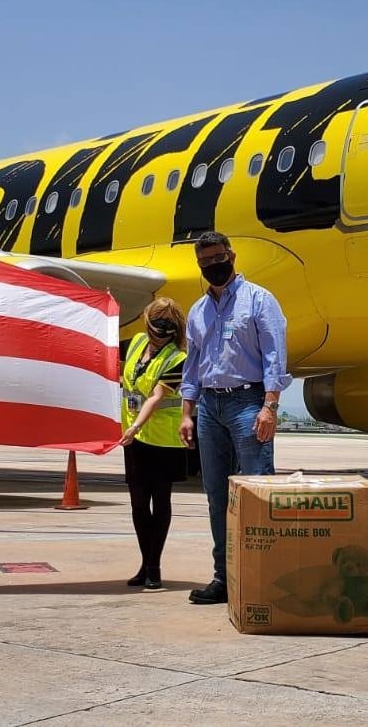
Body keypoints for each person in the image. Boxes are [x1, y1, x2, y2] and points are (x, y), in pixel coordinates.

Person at [179, 231, 291, 605]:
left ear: (231, 255)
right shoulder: (198, 310)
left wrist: (270, 406)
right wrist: (187, 412)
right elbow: (192, 366)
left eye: (217, 258)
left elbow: (275, 354)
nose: (213, 266)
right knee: (216, 495)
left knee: (257, 490)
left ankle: (263, 575)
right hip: (209, 407)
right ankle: (224, 578)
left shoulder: (259, 300)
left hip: (248, 402)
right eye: (205, 262)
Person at [118, 297, 189, 591]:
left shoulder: (178, 359)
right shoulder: (136, 342)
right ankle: (144, 563)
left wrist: (134, 426)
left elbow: (157, 396)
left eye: (165, 329)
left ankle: (154, 567)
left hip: (162, 440)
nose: (159, 335)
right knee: (137, 503)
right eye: (155, 328)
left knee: (160, 502)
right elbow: (123, 371)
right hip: (134, 438)